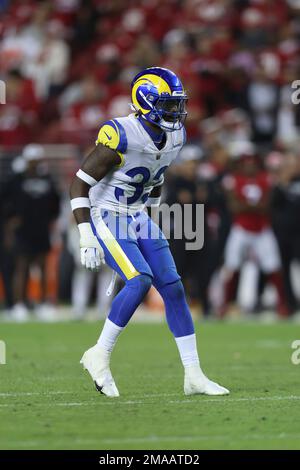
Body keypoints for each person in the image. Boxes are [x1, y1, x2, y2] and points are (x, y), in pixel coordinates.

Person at [70, 67, 229, 398]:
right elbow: (79, 184)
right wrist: (86, 235)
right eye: (168, 105)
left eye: (177, 104)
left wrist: (149, 221)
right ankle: (99, 354)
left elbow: (155, 181)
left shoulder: (175, 136)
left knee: (172, 287)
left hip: (137, 214)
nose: (176, 112)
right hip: (106, 212)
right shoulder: (121, 134)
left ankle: (194, 375)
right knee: (140, 279)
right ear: (146, 102)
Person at [222, 141, 288, 317]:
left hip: (262, 229)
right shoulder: (233, 179)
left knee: (274, 266)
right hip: (241, 228)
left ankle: (282, 305)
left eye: (252, 160)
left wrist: (246, 206)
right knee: (231, 265)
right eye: (246, 160)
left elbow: (266, 206)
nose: (249, 164)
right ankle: (225, 305)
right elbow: (234, 207)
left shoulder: (265, 178)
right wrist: (253, 206)